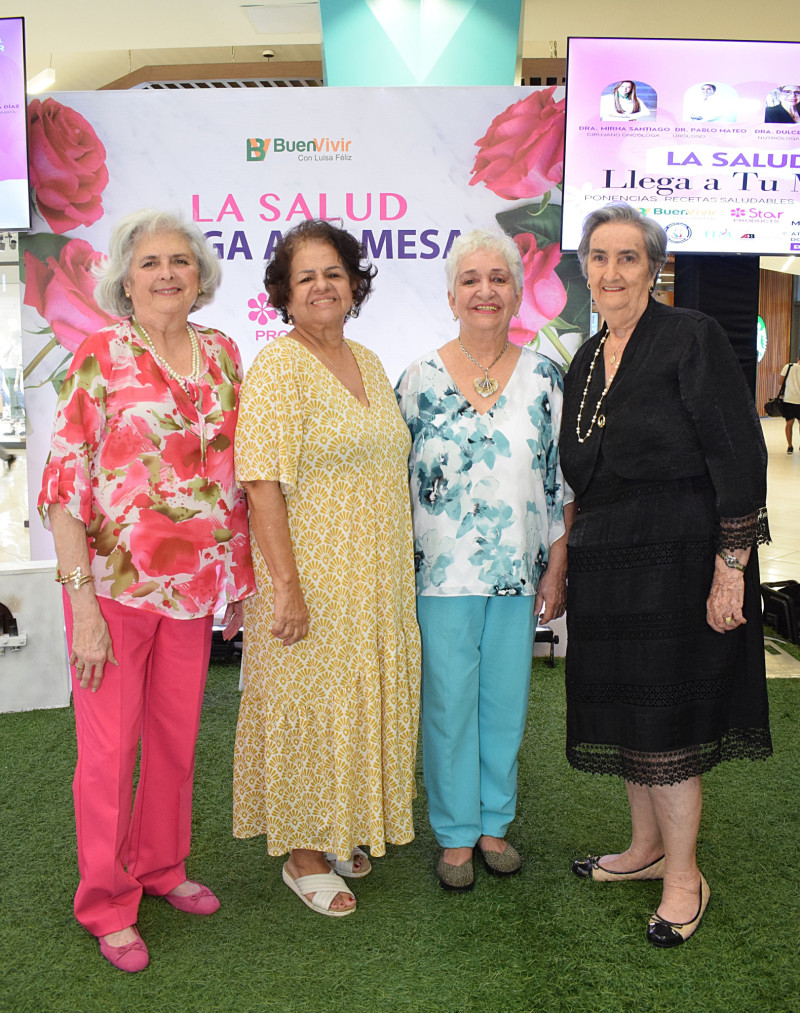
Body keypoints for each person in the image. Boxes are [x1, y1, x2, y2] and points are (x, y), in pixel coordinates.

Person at [38, 209, 255, 972]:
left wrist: (240, 573)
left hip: (195, 589)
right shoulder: (100, 354)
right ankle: (105, 899)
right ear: (124, 281)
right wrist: (82, 605)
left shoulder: (225, 355)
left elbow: (233, 478)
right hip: (111, 589)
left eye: (180, 261)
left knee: (173, 739)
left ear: (200, 276)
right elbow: (65, 488)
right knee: (108, 749)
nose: (167, 273)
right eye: (151, 262)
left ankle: (160, 866)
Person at [560, 202, 772, 947]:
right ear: (583, 268)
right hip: (609, 564)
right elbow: (581, 477)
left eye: (627, 257)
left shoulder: (691, 336)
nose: (611, 272)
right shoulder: (588, 358)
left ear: (655, 267)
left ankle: (685, 875)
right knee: (630, 715)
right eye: (599, 257)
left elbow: (738, 455)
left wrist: (732, 567)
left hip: (680, 558)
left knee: (668, 726)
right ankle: (645, 850)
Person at [233, 219, 420, 918]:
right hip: (311, 578)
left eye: (333, 273)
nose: (322, 286)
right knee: (310, 706)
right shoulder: (278, 366)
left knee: (357, 698)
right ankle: (303, 853)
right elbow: (260, 483)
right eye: (305, 275)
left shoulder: (369, 361)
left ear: (354, 284)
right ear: (284, 292)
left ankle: (336, 825)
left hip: (377, 577)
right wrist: (286, 587)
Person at [395, 230, 572, 892]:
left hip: (518, 574)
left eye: (498, 278)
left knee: (505, 701)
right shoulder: (417, 379)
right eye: (471, 279)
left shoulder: (546, 379)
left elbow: (561, 484)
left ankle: (495, 823)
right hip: (439, 574)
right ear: (450, 295)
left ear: (516, 293)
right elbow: (393, 482)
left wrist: (557, 567)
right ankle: (454, 834)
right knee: (447, 703)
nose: (484, 290)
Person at [778, 354, 800, 452]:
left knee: (789, 423)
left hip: (789, 399)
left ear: (798, 359)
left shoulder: (788, 366)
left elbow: (780, 382)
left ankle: (790, 446)